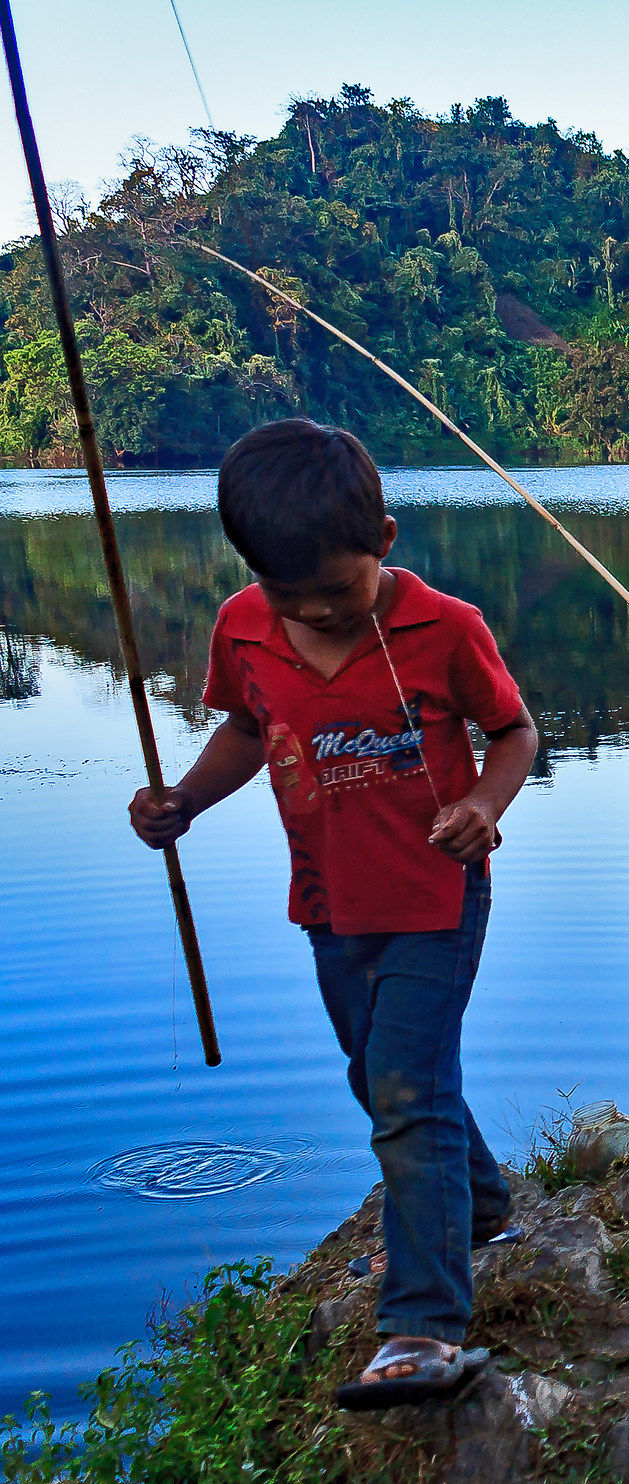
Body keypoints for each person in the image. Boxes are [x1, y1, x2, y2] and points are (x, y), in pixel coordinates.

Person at [126, 418, 541, 1411]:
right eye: (292, 595)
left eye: (337, 591)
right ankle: (480, 1205)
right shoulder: (242, 627)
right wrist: (181, 800)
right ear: (253, 574)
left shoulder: (446, 627)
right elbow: (244, 729)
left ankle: (422, 1327)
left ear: (384, 541)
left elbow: (515, 731)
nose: (317, 610)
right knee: (385, 1077)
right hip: (327, 904)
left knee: (404, 1088)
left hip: (437, 899)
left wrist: (482, 806)